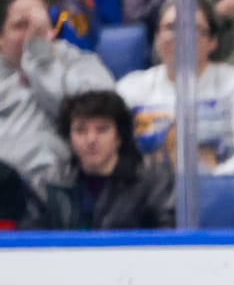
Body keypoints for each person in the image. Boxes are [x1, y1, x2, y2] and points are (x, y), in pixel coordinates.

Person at [115, 0, 234, 175]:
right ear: (157, 38)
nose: (180, 37)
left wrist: (209, 184)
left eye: (193, 29)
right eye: (171, 27)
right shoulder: (128, 89)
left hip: (222, 195)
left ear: (212, 42)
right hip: (146, 197)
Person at [0, 0, 112, 190]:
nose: (32, 34)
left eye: (39, 25)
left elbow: (99, 111)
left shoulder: (78, 61)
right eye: (21, 25)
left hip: (56, 196)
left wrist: (42, 62)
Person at [26, 87, 173, 229]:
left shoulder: (153, 178)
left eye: (102, 129)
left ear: (119, 136)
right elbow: (30, 239)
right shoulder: (50, 181)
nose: (91, 139)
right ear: (69, 137)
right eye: (80, 130)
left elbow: (167, 236)